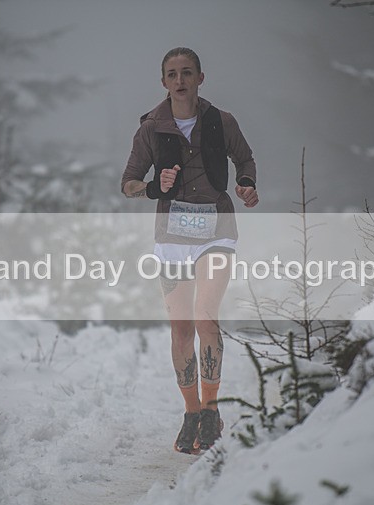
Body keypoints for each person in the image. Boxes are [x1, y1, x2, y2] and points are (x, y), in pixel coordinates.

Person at [121, 47, 259, 454]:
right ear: (163, 82)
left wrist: (247, 183)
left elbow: (245, 157)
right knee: (181, 328)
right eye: (172, 74)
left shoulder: (222, 121)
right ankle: (192, 412)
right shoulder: (151, 128)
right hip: (172, 236)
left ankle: (212, 410)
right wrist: (153, 187)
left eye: (187, 72)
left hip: (217, 228)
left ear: (201, 77)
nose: (180, 80)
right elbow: (128, 182)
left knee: (204, 318)